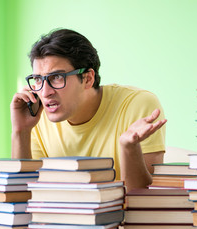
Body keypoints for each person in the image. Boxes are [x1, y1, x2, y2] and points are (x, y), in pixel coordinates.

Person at [10, 28, 167, 191]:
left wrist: (129, 148)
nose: (45, 92)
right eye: (37, 79)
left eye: (57, 77)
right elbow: (22, 197)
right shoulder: (37, 117)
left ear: (87, 78)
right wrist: (21, 131)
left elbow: (146, 199)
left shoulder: (138, 104)